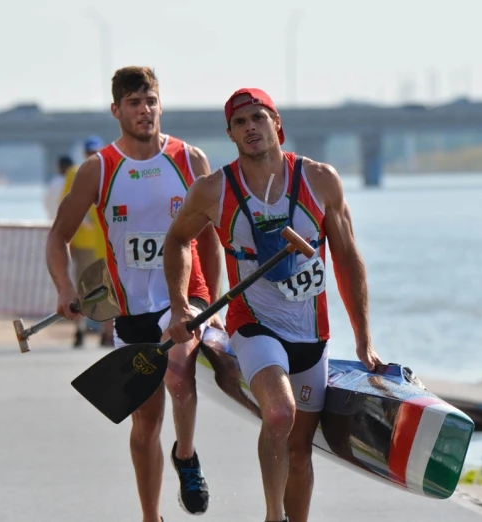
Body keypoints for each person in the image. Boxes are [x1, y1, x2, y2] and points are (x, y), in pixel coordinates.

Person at [164, 88, 382, 522]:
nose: (251, 128)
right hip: (253, 325)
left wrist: (364, 341)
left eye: (258, 118)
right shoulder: (213, 190)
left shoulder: (320, 180)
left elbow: (347, 259)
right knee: (280, 414)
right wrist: (179, 306)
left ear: (276, 124)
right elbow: (176, 241)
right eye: (240, 123)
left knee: (300, 452)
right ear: (231, 135)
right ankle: (272, 517)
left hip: (310, 333)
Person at [46, 66, 223, 521]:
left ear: (160, 105)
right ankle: (151, 516)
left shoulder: (190, 159)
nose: (144, 110)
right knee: (145, 422)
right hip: (131, 308)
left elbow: (211, 239)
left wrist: (216, 303)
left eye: (151, 101)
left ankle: (185, 456)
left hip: (187, 297)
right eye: (133, 103)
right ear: (116, 110)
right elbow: (57, 237)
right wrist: (65, 287)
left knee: (179, 370)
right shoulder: (98, 168)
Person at [58, 137, 103, 347]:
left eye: (94, 150)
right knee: (84, 288)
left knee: (108, 288)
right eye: (88, 151)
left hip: (105, 242)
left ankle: (107, 332)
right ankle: (80, 330)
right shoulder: (76, 172)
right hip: (85, 243)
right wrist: (81, 221)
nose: (91, 154)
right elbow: (66, 203)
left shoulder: (109, 169)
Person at [44, 155, 72, 220]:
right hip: (68, 221)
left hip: (54, 220)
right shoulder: (72, 181)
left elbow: (47, 201)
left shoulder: (54, 182)